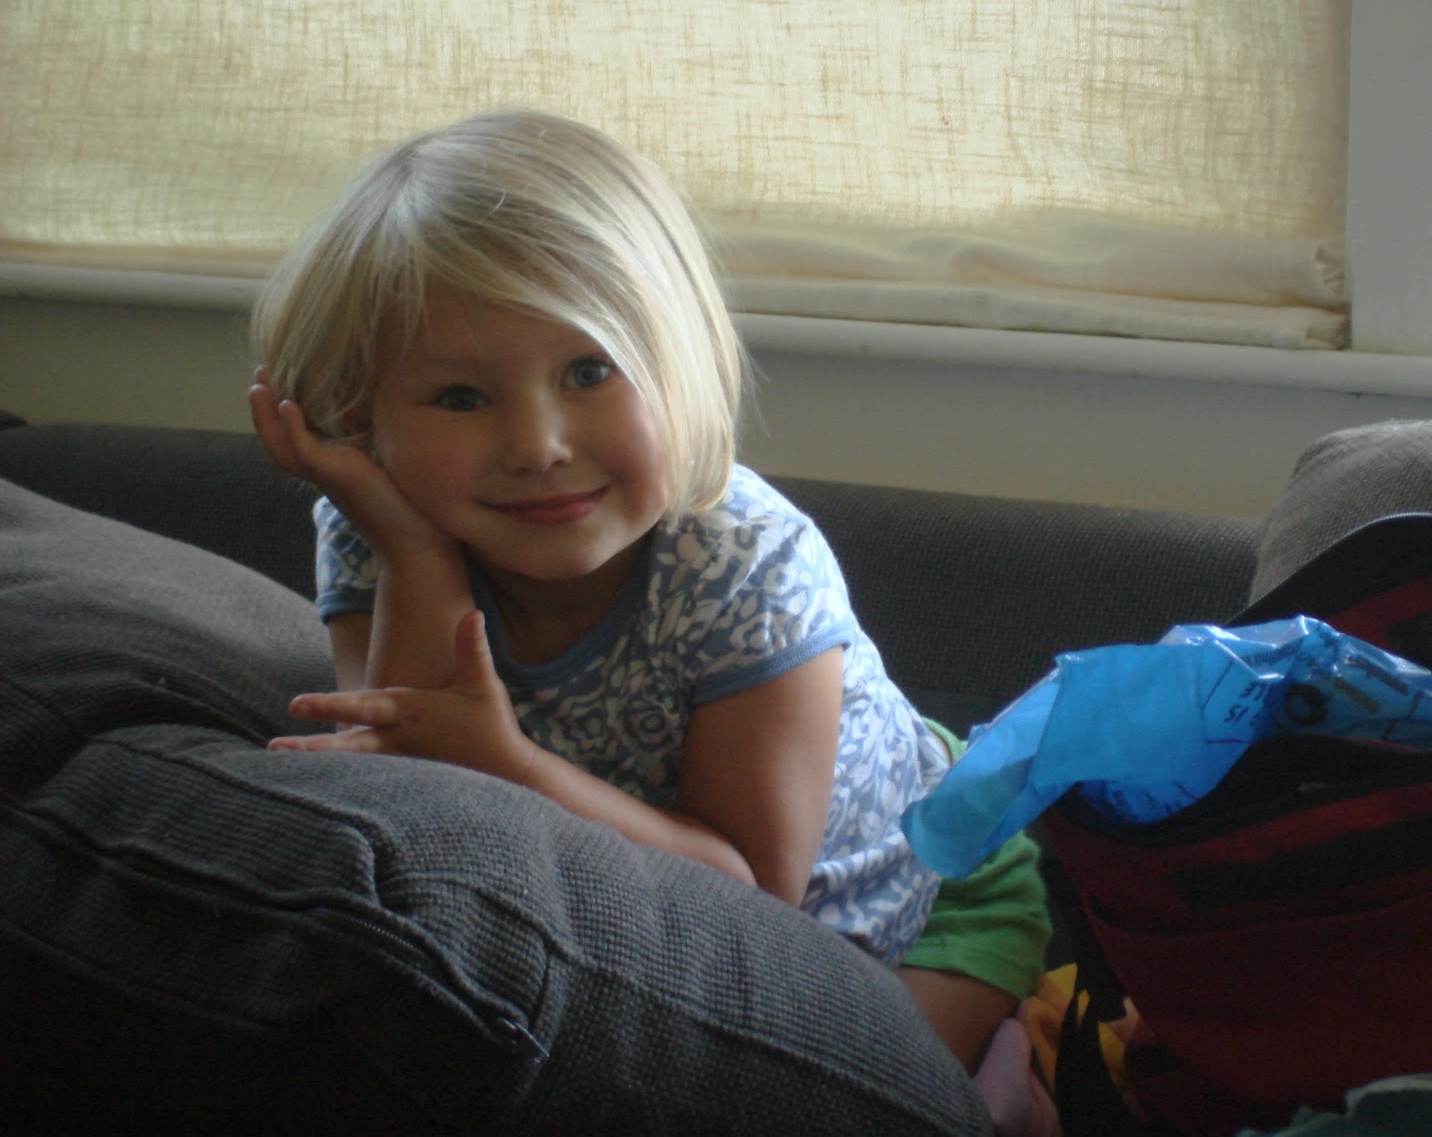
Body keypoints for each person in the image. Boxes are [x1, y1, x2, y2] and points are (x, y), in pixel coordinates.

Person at [246, 110, 1052, 1118]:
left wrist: (508, 763)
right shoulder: (379, 523)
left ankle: (1010, 1086)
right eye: (458, 397)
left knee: (843, 1108)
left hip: (913, 888)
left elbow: (755, 894)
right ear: (359, 417)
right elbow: (410, 798)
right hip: (645, 891)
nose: (538, 445)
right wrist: (414, 551)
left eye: (589, 371)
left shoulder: (746, 561)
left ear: (675, 361)